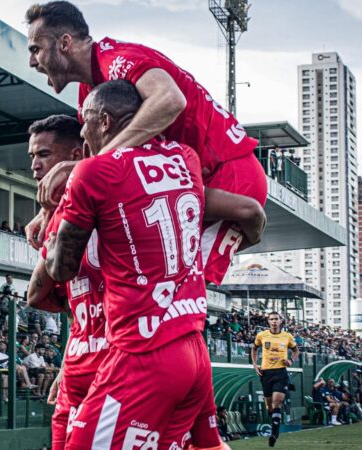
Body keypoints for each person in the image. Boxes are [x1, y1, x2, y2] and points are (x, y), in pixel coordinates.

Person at [24, 1, 267, 288]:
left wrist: (94, 165)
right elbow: (89, 166)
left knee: (178, 289)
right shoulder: (88, 95)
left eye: (35, 49)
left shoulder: (117, 59)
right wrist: (48, 209)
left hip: (229, 175)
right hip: (182, 185)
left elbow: (171, 100)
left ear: (64, 43)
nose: (32, 62)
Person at [45, 80, 216, 450]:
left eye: (85, 122)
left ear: (104, 122)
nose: (83, 132)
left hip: (143, 351)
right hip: (193, 346)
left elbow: (61, 269)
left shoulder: (93, 173)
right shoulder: (186, 158)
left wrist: (54, 215)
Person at [24, 114, 110, 450]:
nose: (34, 164)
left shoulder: (110, 205)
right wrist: (64, 367)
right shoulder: (54, 218)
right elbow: (37, 297)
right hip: (77, 364)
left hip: (119, 363)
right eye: (32, 156)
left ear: (76, 155)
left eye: (43, 154)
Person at [251, 312, 299, 446]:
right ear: (268, 321)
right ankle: (275, 422)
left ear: (280, 321)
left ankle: (274, 433)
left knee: (277, 402)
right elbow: (254, 349)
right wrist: (255, 365)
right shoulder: (262, 335)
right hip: (266, 373)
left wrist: (291, 361)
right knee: (269, 406)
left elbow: (296, 351)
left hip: (281, 373)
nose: (274, 321)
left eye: (276, 319)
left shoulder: (287, 336)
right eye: (271, 319)